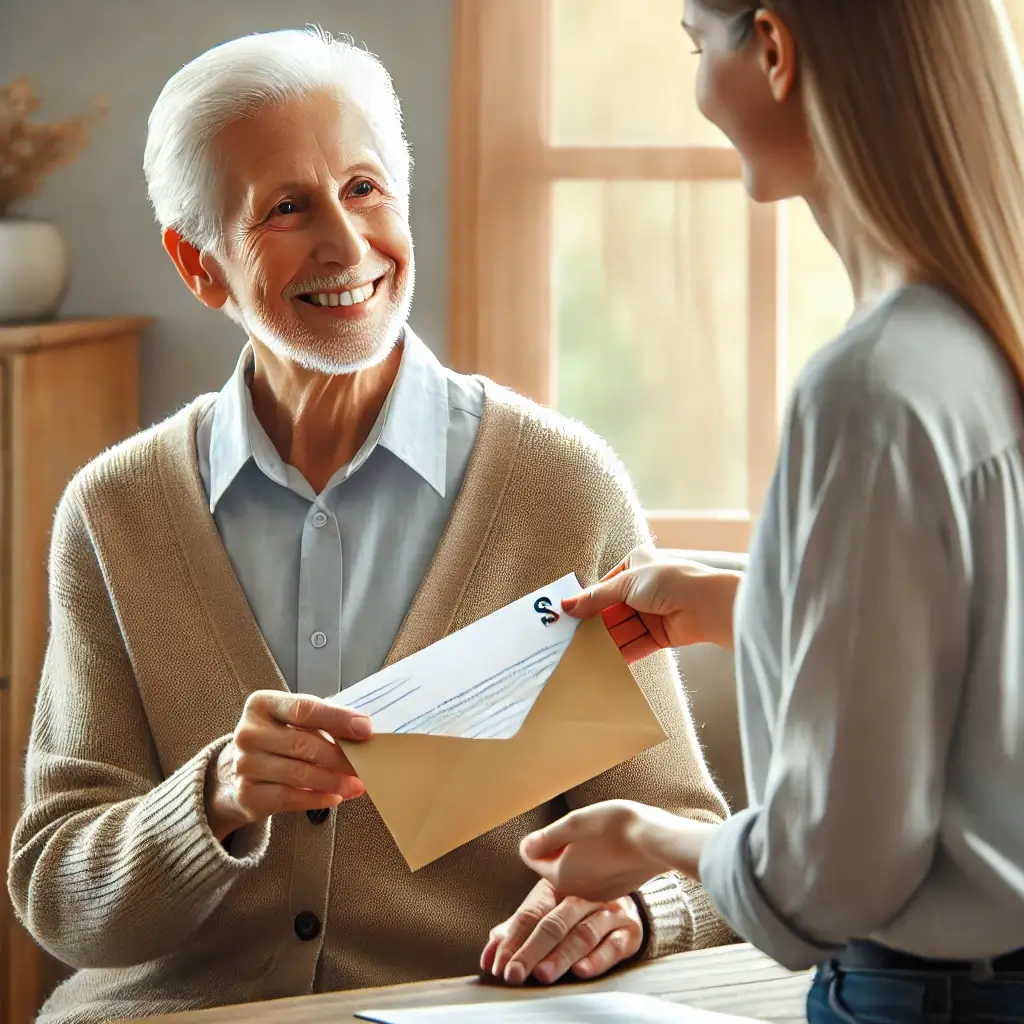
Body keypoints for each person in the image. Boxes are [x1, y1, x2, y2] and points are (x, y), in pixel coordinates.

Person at [6, 27, 734, 1024]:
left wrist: (632, 912)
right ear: (199, 265)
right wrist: (215, 794)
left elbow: (688, 837)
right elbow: (58, 894)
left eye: (364, 189)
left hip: (467, 1006)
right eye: (287, 208)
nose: (346, 248)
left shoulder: (560, 487)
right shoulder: (115, 512)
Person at [518, 1, 1024, 1021]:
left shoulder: (871, 389)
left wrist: (649, 842)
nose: (698, 86)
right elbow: (970, 685)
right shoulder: (976, 347)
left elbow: (827, 876)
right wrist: (747, 605)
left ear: (776, 47)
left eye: (696, 47)